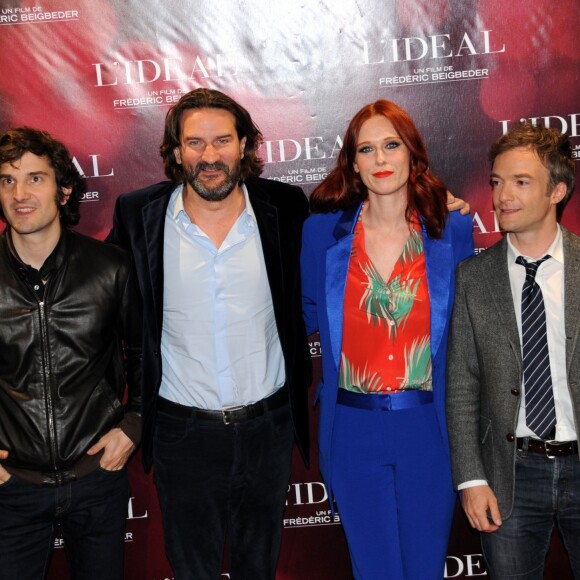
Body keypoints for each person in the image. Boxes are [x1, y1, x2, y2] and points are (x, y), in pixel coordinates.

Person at [106, 88, 312, 579]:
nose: (210, 156)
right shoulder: (138, 216)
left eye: (222, 140)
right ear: (176, 153)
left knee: (258, 568)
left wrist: (433, 208)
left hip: (269, 427)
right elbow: (94, 303)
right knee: (192, 569)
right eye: (194, 143)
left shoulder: (285, 208)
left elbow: (352, 236)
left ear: (244, 145)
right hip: (182, 432)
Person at [300, 99, 474, 579]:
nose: (380, 160)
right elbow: (302, 314)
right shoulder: (321, 236)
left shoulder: (452, 229)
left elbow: (471, 331)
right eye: (367, 149)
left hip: (428, 429)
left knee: (424, 568)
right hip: (353, 430)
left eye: (391, 146)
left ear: (413, 155)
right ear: (352, 163)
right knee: (374, 571)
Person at [0, 127, 142, 580]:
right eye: (6, 180)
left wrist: (133, 425)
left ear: (64, 190)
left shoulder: (111, 267)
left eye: (35, 179)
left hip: (96, 477)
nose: (20, 194)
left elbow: (145, 357)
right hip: (11, 487)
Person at [446, 122, 579, 578]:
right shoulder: (473, 278)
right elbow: (462, 388)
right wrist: (471, 478)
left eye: (522, 182)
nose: (504, 195)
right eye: (498, 182)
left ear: (557, 190)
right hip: (510, 474)